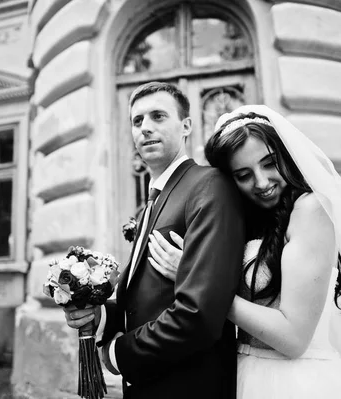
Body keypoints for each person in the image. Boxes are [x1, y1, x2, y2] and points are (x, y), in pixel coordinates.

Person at [147, 104, 341, 398]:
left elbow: (293, 337)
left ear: (287, 157)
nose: (261, 182)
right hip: (238, 375)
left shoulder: (310, 210)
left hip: (296, 381)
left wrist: (197, 282)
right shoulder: (251, 221)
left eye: (270, 163)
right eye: (244, 175)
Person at [63, 82, 246, 399]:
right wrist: (98, 315)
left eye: (158, 116)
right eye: (137, 121)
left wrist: (119, 353)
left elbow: (199, 315)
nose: (145, 128)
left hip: (190, 386)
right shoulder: (151, 203)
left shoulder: (208, 186)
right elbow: (144, 300)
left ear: (186, 125)